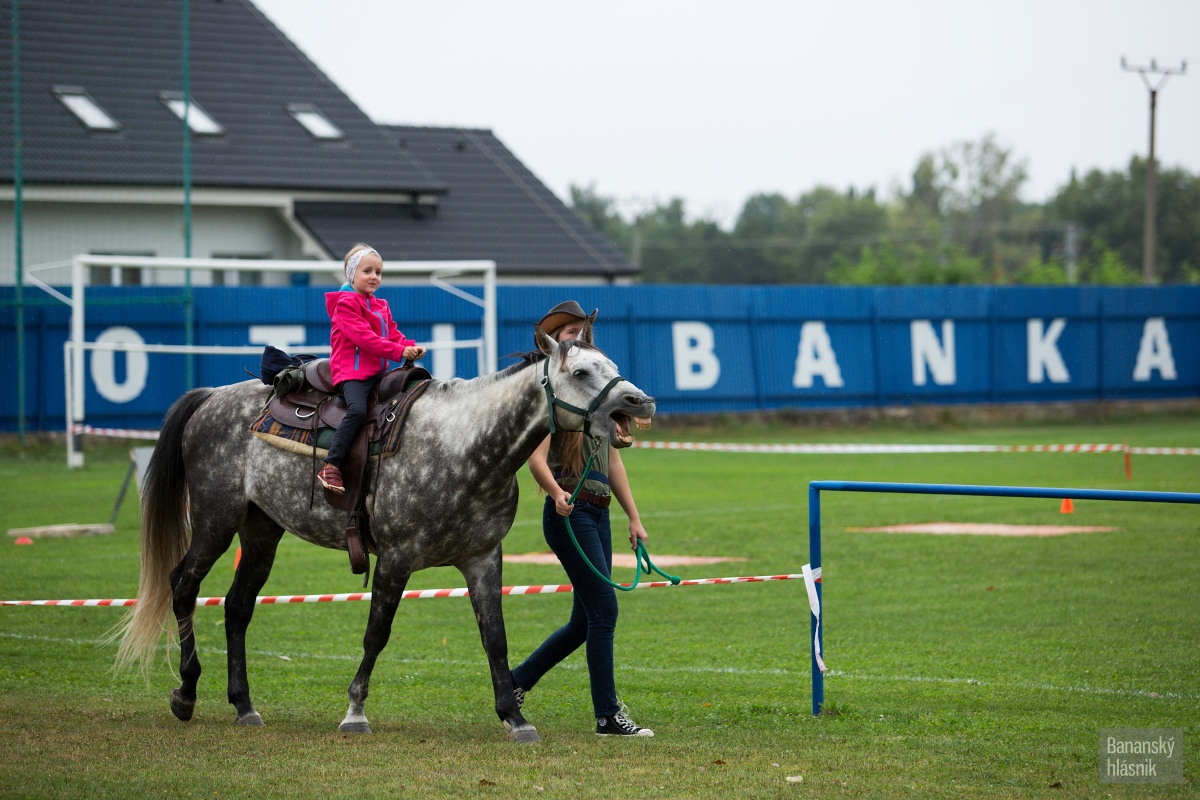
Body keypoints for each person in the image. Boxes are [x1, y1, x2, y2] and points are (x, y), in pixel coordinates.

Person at [510, 300, 655, 737]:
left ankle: (515, 681)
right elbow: (534, 459)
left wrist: (634, 518)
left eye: (582, 330)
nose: (579, 336)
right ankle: (607, 716)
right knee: (604, 611)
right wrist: (556, 493)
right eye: (569, 331)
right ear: (555, 342)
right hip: (569, 514)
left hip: (599, 512)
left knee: (583, 621)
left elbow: (614, 463)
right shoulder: (555, 397)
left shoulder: (596, 398)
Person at [317, 244, 425, 493]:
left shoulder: (380, 305)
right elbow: (366, 339)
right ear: (351, 274)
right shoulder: (345, 305)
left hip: (377, 372)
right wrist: (399, 352)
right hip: (352, 374)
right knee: (357, 410)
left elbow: (393, 333)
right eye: (367, 271)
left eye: (378, 272)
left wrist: (409, 346)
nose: (374, 276)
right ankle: (332, 464)